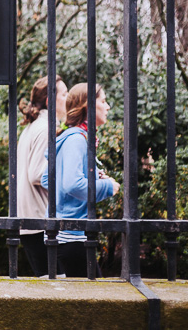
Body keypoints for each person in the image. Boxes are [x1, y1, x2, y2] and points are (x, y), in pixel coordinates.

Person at [41, 82, 120, 277]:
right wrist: (107, 186)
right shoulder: (77, 139)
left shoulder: (72, 137)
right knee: (94, 303)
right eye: (103, 101)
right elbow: (71, 184)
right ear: (89, 106)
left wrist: (90, 178)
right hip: (71, 237)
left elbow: (47, 180)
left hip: (66, 235)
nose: (108, 106)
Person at [16, 74, 67, 277]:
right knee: (58, 288)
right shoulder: (46, 128)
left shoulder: (32, 127)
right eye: (64, 93)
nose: (69, 98)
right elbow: (37, 174)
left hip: (31, 219)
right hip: (40, 222)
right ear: (50, 100)